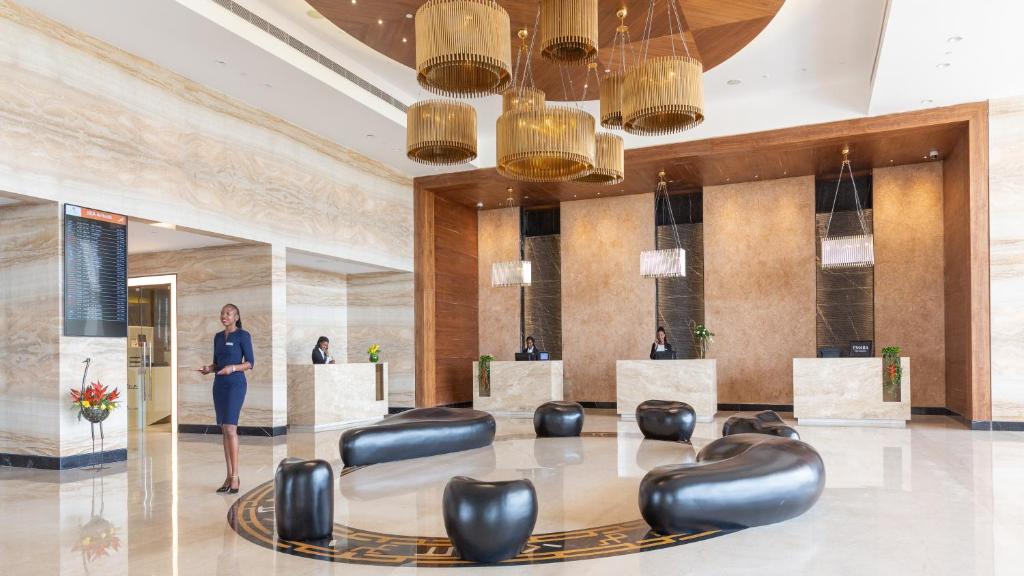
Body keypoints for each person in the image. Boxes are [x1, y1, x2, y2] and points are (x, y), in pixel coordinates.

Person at [197, 303, 253, 494]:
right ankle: (228, 476)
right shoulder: (218, 337)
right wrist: (209, 368)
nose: (224, 316)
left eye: (228, 313)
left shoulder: (243, 336)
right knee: (224, 430)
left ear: (236, 317)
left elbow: (249, 363)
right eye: (222, 313)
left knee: (231, 428)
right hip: (219, 385)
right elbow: (216, 363)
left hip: (235, 384)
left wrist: (232, 368)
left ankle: (236, 476)